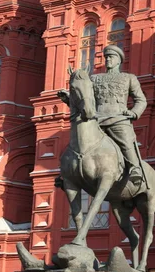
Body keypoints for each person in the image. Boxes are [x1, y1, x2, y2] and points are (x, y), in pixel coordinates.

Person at [58, 44, 147, 183]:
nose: (108, 60)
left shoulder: (128, 78)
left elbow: (141, 100)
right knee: (77, 141)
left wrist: (133, 113)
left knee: (126, 141)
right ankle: (67, 172)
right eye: (106, 58)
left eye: (111, 57)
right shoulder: (94, 79)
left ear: (119, 60)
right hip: (96, 119)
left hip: (118, 119)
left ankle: (135, 169)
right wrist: (68, 98)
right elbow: (85, 98)